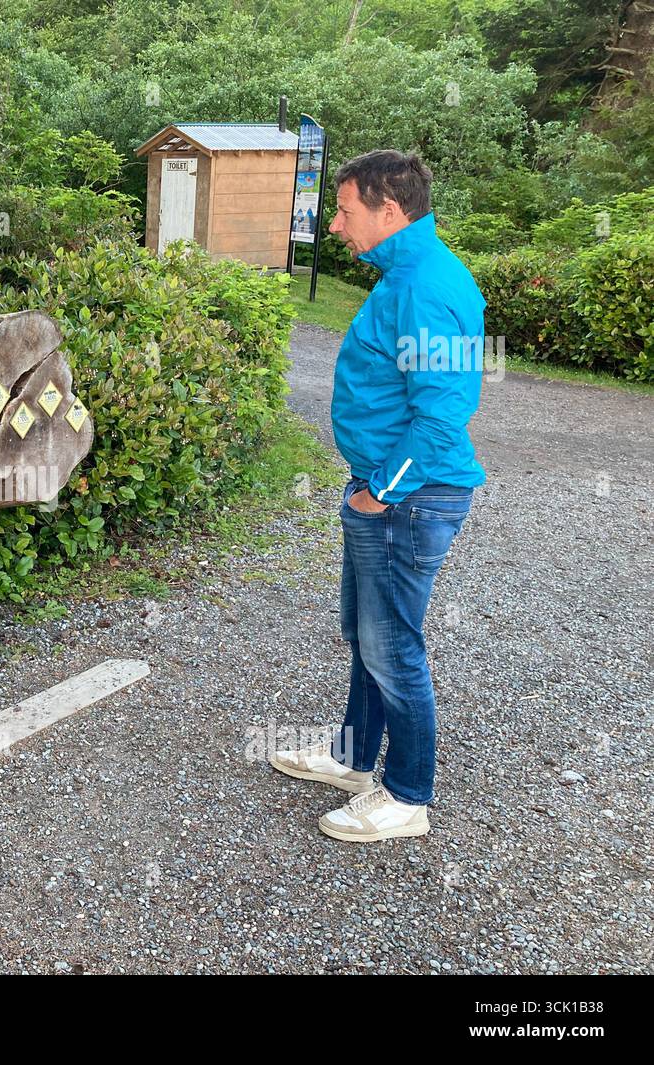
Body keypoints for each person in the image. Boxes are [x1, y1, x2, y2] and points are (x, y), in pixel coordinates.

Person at [269, 149, 487, 842]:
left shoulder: (426, 286)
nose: (335, 225)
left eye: (346, 210)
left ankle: (407, 795)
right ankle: (353, 758)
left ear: (390, 212)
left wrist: (378, 494)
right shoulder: (406, 273)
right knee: (365, 637)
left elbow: (441, 414)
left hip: (409, 501)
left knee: (393, 648)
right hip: (388, 493)